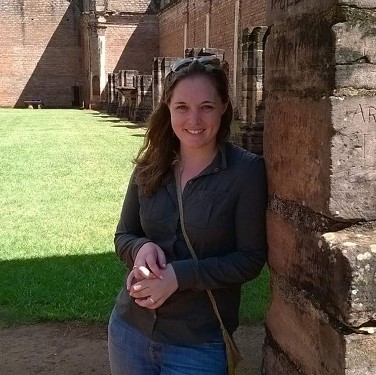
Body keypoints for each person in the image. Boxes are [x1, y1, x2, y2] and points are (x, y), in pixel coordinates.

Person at [108, 55, 267, 375]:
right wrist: (141, 248)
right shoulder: (151, 164)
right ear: (167, 108)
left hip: (197, 344)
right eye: (182, 107)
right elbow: (124, 235)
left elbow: (250, 259)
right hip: (130, 329)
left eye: (206, 106)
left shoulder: (246, 172)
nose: (194, 119)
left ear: (224, 106)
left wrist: (178, 277)